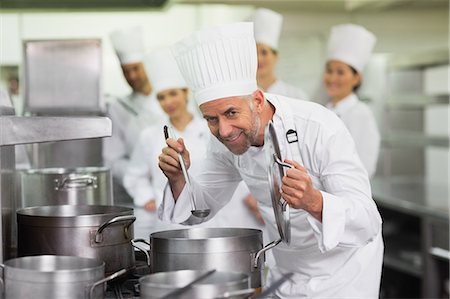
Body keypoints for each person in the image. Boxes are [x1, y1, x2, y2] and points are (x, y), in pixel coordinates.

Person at [158, 22, 383, 298]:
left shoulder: (319, 127)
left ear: (258, 100)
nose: (224, 131)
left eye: (231, 113)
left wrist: (314, 201)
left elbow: (368, 221)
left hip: (343, 275)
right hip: (286, 270)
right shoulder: (223, 144)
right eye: (211, 119)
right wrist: (179, 178)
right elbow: (199, 211)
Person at [123, 48, 263, 238]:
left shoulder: (214, 129)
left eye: (173, 94)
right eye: (161, 97)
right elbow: (134, 175)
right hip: (173, 223)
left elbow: (237, 165)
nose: (168, 102)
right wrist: (146, 197)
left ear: (185, 93)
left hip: (221, 216)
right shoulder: (149, 135)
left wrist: (252, 194)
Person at [104, 26, 165, 201]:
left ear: (147, 65)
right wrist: (140, 179)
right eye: (126, 71)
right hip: (142, 196)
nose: (132, 76)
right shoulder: (119, 107)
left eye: (136, 68)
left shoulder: (171, 99)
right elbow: (112, 160)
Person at [323, 24, 381, 178]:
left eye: (340, 72)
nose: (332, 78)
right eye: (329, 70)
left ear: (357, 78)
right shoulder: (324, 110)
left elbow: (365, 167)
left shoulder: (360, 113)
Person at [249, 8, 308, 100]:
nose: (259, 58)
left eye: (264, 52)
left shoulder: (295, 95)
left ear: (275, 56)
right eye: (254, 53)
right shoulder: (245, 96)